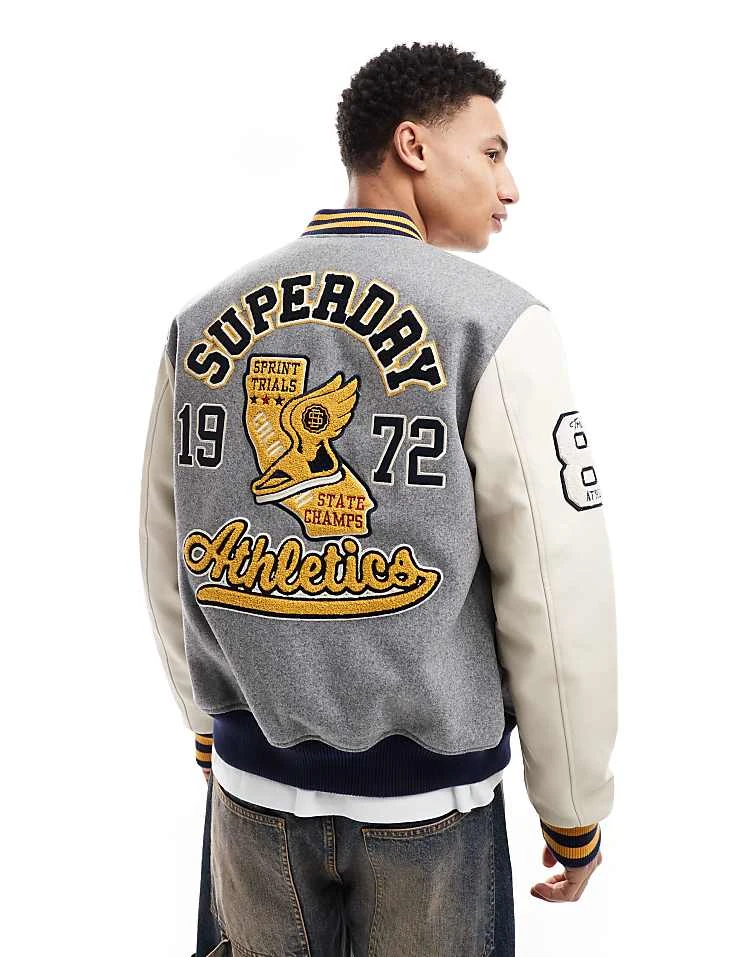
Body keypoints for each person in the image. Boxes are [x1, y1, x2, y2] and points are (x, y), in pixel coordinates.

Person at [139, 40, 618, 957]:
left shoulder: (199, 320)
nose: (510, 186)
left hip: (248, 799)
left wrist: (207, 724)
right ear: (413, 145)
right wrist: (573, 806)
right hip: (431, 814)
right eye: (492, 151)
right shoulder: (496, 324)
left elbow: (167, 544)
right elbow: (557, 591)